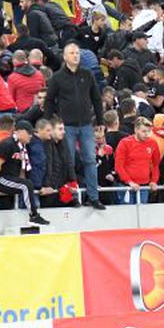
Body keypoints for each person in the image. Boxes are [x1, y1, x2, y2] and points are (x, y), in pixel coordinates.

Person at [43, 42, 106, 209]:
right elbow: (49, 100)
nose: (75, 55)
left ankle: (93, 197)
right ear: (65, 56)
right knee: (68, 161)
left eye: (77, 53)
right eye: (72, 53)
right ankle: (71, 197)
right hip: (67, 125)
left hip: (86, 124)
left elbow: (96, 98)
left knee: (90, 160)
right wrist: (48, 122)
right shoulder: (57, 77)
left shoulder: (87, 74)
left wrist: (100, 121)